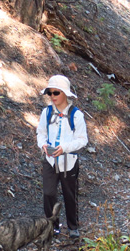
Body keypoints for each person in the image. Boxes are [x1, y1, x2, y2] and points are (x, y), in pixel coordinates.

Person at [36, 75, 88, 239]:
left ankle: (73, 226)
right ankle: (53, 225)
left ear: (65, 93)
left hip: (69, 162)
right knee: (48, 193)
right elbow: (41, 133)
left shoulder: (76, 115)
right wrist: (43, 145)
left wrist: (64, 148)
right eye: (49, 93)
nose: (52, 97)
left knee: (70, 195)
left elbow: (82, 140)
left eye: (56, 93)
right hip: (50, 160)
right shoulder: (46, 112)